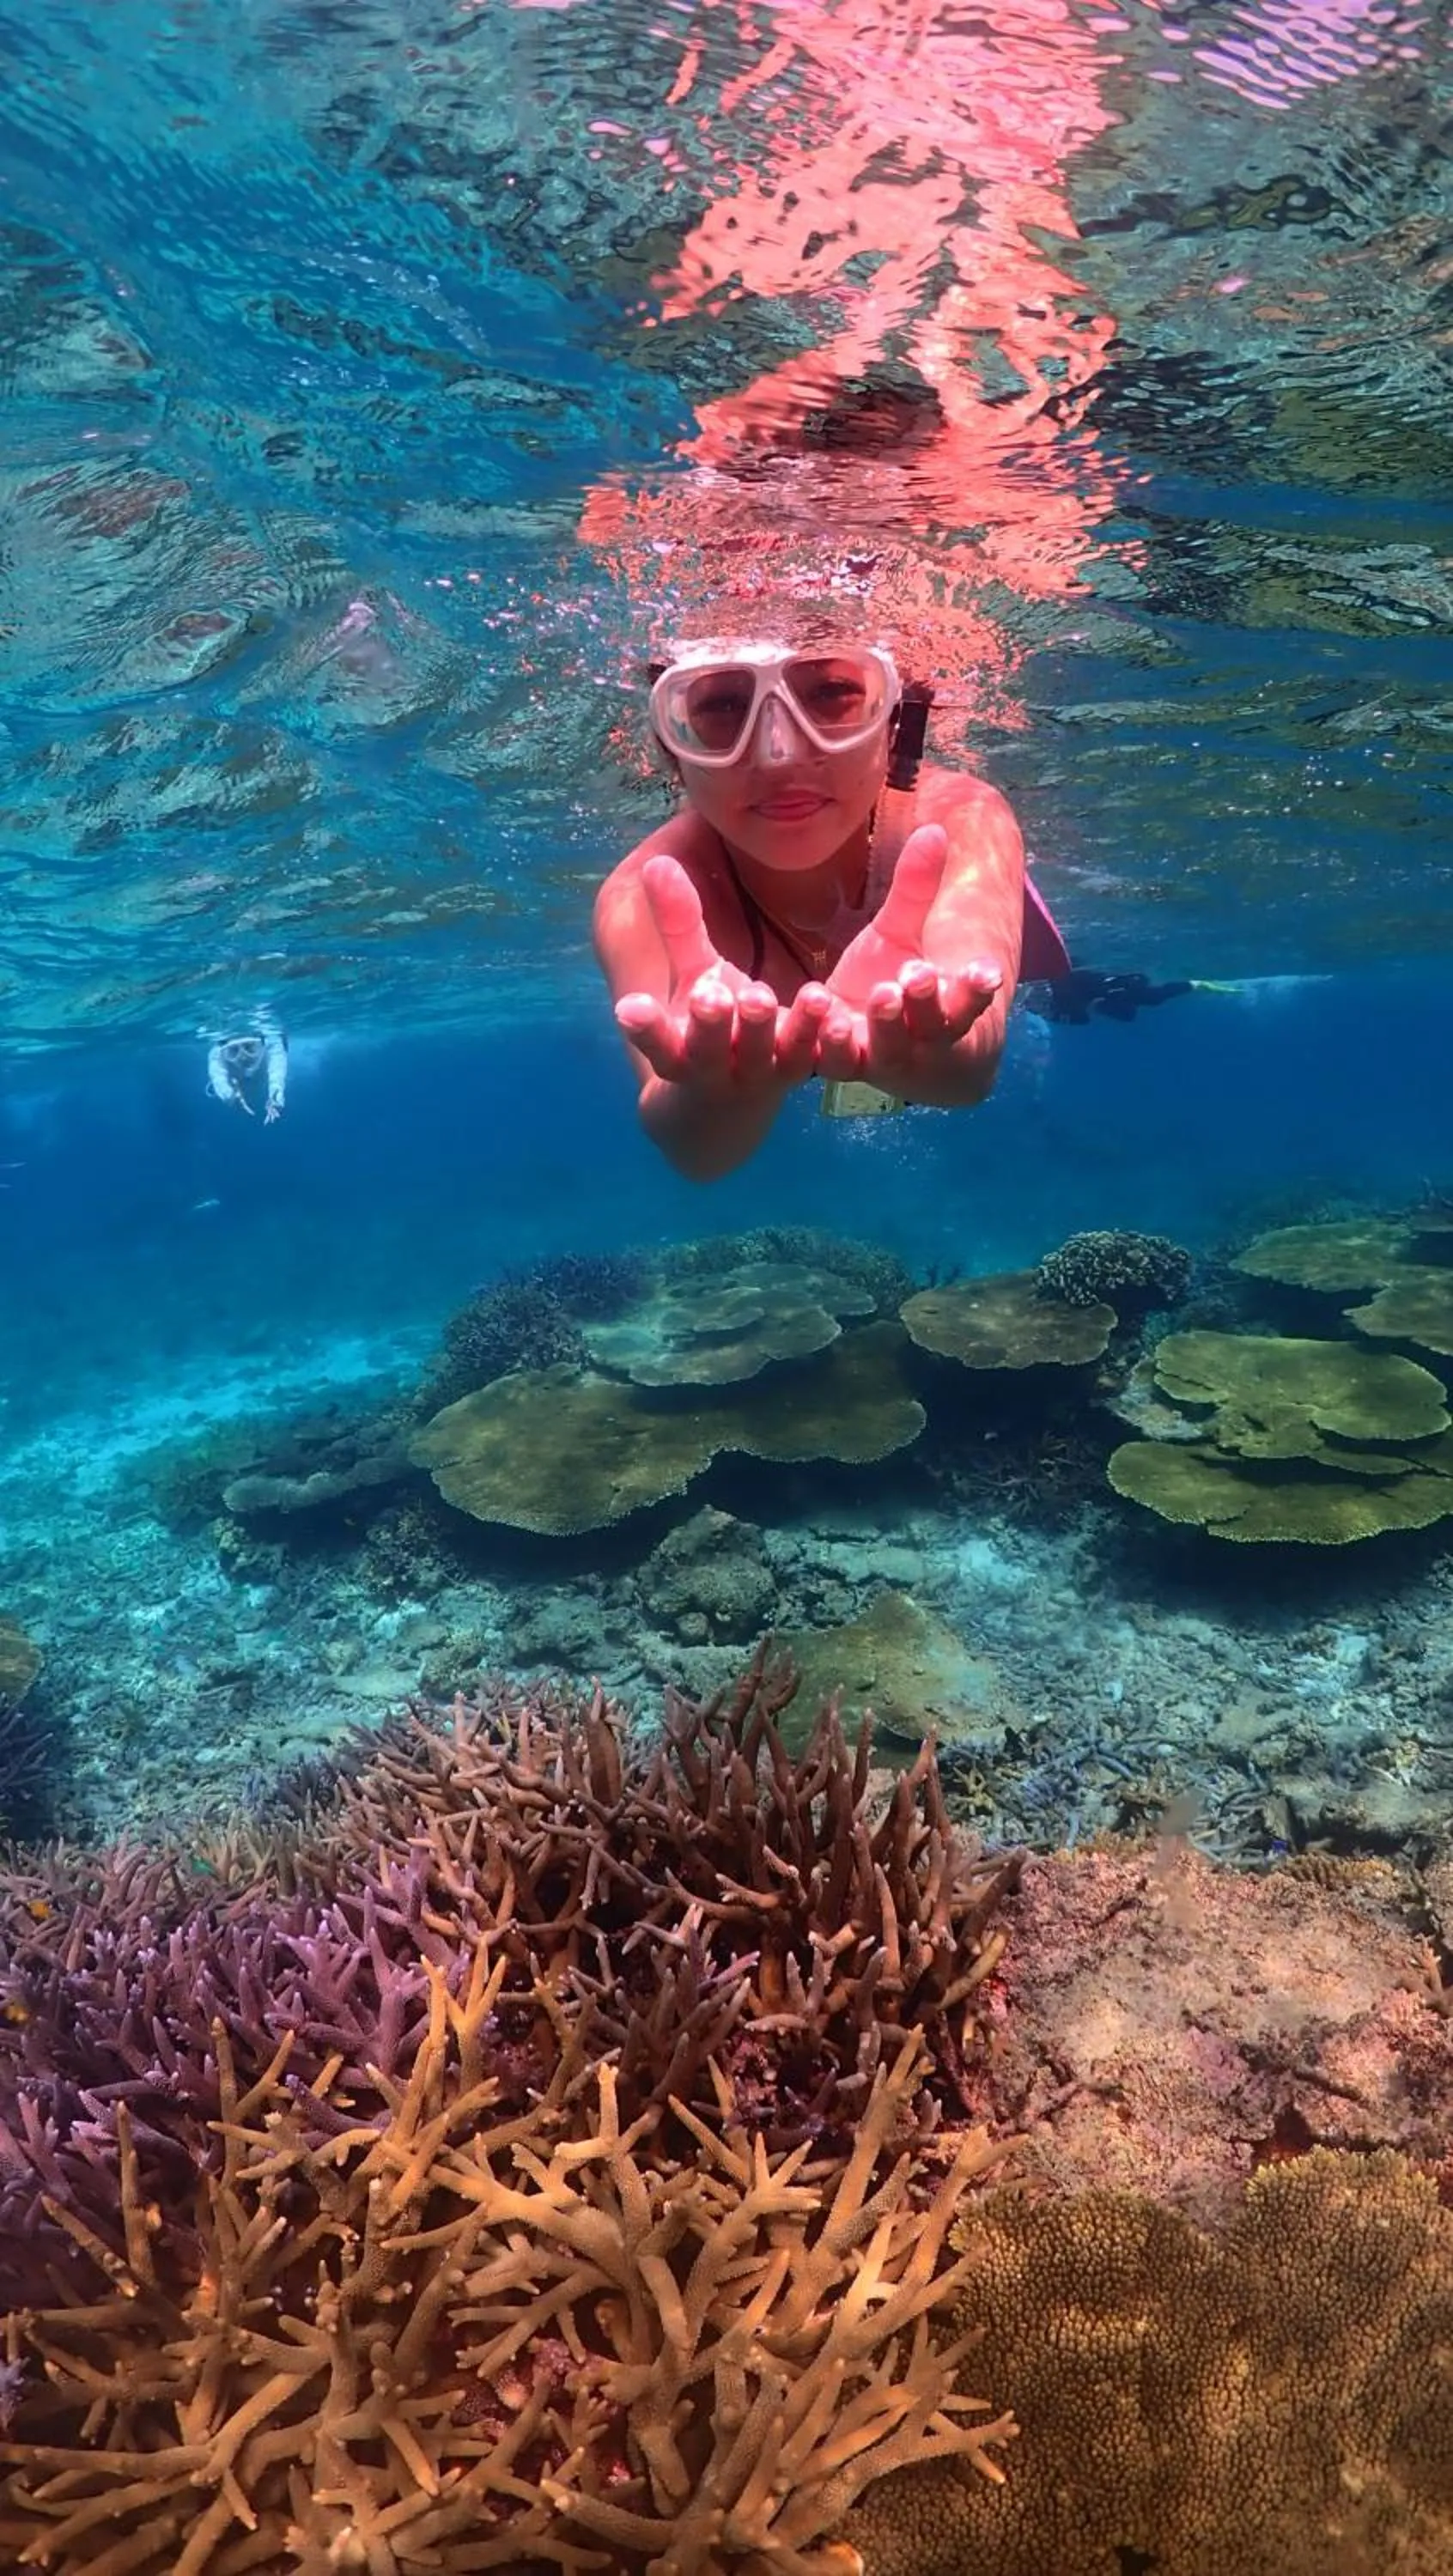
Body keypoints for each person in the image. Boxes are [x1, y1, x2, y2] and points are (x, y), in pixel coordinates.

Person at [593, 635, 1071, 1182]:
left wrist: (951, 1045)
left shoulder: (963, 818)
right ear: (672, 745)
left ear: (894, 721)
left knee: (1065, 1004)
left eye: (833, 691)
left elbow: (970, 1072)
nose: (781, 754)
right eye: (723, 706)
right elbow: (694, 1153)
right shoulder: (644, 894)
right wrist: (710, 1096)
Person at [205, 1022, 289, 1123]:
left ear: (263, 1045)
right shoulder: (217, 1054)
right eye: (234, 1051)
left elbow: (277, 1070)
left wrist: (276, 1097)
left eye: (249, 1048)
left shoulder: (273, 1045)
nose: (243, 1057)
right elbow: (217, 1076)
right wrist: (229, 1095)